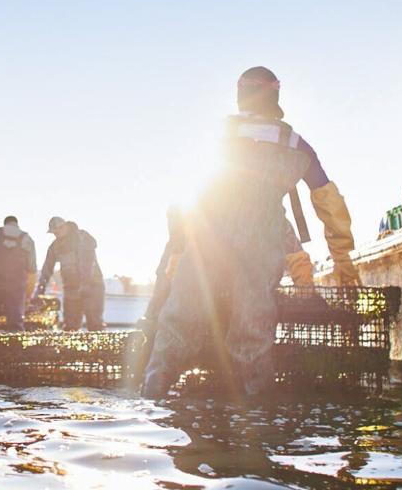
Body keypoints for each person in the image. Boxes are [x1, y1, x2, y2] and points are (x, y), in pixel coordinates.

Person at [141, 66, 360, 398]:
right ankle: (255, 414)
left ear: (240, 96)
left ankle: (153, 396)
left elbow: (191, 203)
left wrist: (175, 260)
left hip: (206, 236)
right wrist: (344, 264)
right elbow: (330, 206)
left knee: (178, 322)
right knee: (252, 335)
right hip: (260, 244)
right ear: (275, 97)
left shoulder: (218, 137)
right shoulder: (295, 144)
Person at [36, 217, 105, 331]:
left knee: (95, 324)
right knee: (70, 327)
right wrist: (40, 289)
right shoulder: (55, 247)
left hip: (93, 286)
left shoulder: (82, 237)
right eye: (54, 233)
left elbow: (88, 261)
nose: (56, 235)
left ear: (65, 227)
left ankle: (100, 349)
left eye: (57, 232)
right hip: (71, 289)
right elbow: (47, 268)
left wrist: (85, 284)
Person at [0, 216, 37, 332]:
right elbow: (32, 270)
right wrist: (28, 293)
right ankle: (15, 347)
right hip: (16, 287)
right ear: (16, 224)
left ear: (5, 223)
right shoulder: (27, 239)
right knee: (15, 324)